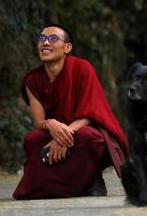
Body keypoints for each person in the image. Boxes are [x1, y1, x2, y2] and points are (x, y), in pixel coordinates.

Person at [13, 24, 128, 199]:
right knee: (32, 139)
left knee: (91, 138)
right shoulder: (32, 80)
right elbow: (39, 123)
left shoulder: (82, 68)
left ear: (67, 47)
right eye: (42, 39)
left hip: (80, 131)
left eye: (53, 39)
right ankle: (85, 184)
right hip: (52, 133)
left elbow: (91, 111)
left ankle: (86, 179)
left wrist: (64, 137)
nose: (45, 43)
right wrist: (52, 125)